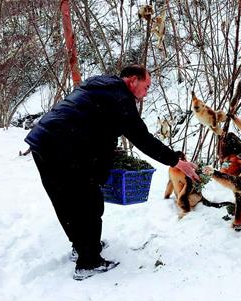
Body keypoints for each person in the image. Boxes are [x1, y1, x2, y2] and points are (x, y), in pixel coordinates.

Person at [25, 65, 199, 281]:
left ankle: (82, 247)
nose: (146, 93)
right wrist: (176, 161)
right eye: (146, 86)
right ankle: (89, 262)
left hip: (42, 142)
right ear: (133, 80)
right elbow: (142, 139)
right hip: (63, 147)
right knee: (89, 201)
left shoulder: (100, 83)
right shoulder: (121, 99)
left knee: (65, 201)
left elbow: (91, 120)